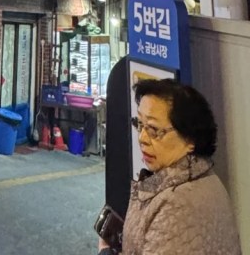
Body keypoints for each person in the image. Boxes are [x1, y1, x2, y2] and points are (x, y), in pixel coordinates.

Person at [100, 79, 241, 255]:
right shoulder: (196, 176)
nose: (142, 138)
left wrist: (105, 252)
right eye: (140, 124)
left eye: (153, 129)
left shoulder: (178, 205)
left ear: (190, 139)